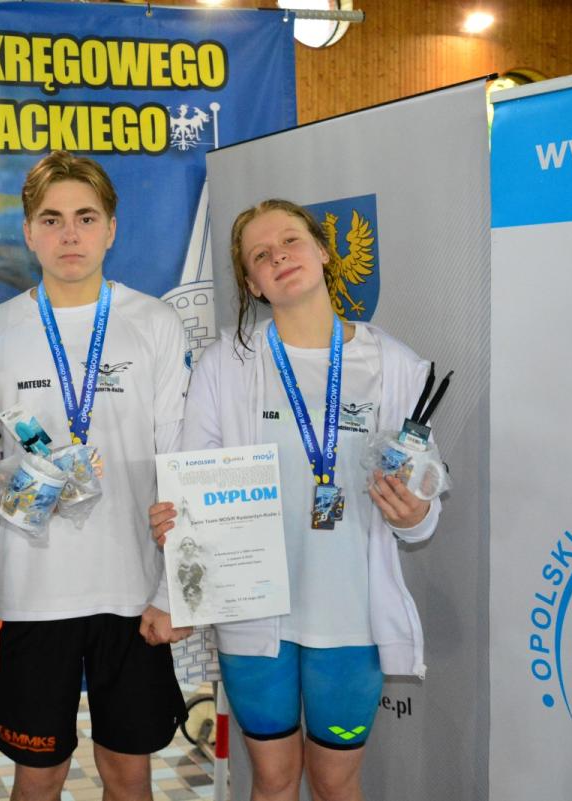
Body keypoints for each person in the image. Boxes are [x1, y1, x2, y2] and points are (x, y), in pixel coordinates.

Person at [149, 199, 441, 801]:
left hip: (351, 619)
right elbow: (192, 486)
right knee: (274, 780)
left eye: (290, 240)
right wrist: (171, 579)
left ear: (323, 251)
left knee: (335, 782)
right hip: (254, 617)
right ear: (253, 284)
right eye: (261, 255)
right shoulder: (225, 365)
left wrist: (417, 515)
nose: (279, 256)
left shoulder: (393, 365)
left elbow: (423, 492)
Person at [0, 151, 191, 801]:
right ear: (28, 231)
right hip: (36, 593)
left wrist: (176, 589)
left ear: (111, 228)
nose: (69, 234)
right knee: (37, 777)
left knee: (128, 776)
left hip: (133, 590)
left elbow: (177, 459)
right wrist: (23, 483)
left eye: (85, 217)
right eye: (52, 219)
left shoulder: (153, 322)